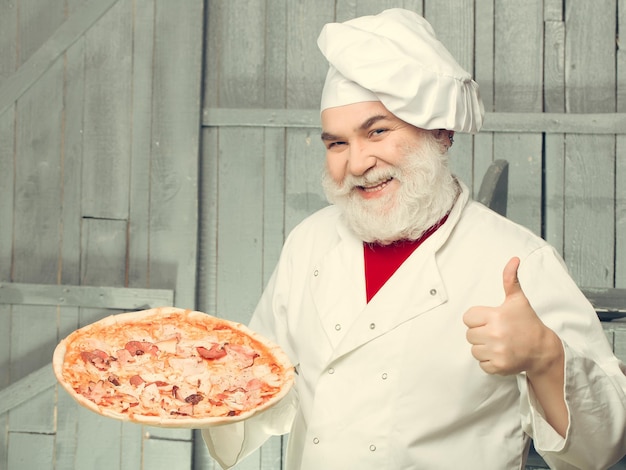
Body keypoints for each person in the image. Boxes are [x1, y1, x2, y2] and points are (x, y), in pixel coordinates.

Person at [203, 8, 626, 469]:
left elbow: (603, 447)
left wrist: (545, 358)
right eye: (337, 143)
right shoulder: (309, 243)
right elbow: (257, 385)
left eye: (378, 131)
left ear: (440, 133)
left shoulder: (518, 260)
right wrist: (187, 381)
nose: (358, 162)